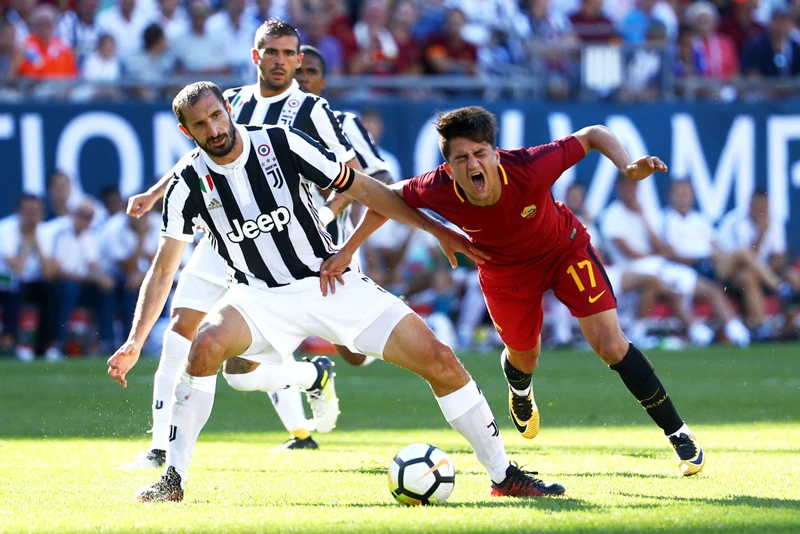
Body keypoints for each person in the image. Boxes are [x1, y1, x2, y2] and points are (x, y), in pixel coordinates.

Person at [107, 81, 564, 502]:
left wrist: (435, 229)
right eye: (201, 125)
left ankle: (504, 476)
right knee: (203, 346)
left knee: (440, 360)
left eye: (216, 116)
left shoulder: (280, 143)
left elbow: (365, 188)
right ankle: (173, 479)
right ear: (187, 133)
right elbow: (164, 268)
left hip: (329, 283)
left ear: (228, 109)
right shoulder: (186, 183)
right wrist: (134, 340)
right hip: (258, 297)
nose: (213, 129)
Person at [318, 106, 706, 477]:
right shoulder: (435, 186)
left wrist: (627, 165)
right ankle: (519, 384)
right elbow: (383, 197)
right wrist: (353, 250)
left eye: (479, 153)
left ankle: (678, 433)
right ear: (448, 166)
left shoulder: (529, 165)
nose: (472, 164)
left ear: (496, 154)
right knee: (525, 357)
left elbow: (592, 135)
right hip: (504, 271)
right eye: (461, 159)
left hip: (563, 250)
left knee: (610, 344)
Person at [120, 19, 370, 467]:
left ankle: (311, 378)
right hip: (224, 233)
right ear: (255, 55)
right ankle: (160, 447)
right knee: (181, 327)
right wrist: (157, 192)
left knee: (296, 360)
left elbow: (353, 175)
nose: (280, 61)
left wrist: (322, 218)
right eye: (270, 52)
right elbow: (196, 153)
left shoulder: (312, 111)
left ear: (299, 58)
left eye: (289, 54)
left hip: (286, 238)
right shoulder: (229, 100)